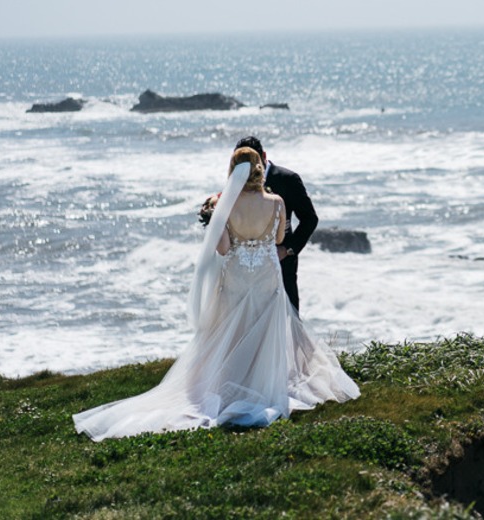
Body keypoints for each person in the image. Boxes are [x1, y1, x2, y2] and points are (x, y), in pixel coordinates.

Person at [73, 148, 358, 441]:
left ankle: (230, 382)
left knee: (232, 328)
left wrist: (218, 220)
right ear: (260, 169)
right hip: (266, 273)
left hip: (236, 274)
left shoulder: (225, 205)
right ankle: (264, 382)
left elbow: (223, 248)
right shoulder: (276, 202)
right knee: (264, 326)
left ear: (233, 171)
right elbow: (279, 238)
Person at [234, 136, 316, 315]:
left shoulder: (288, 179)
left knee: (286, 319)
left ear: (264, 156)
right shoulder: (237, 182)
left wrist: (287, 249)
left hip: (281, 264)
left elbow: (310, 219)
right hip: (246, 269)